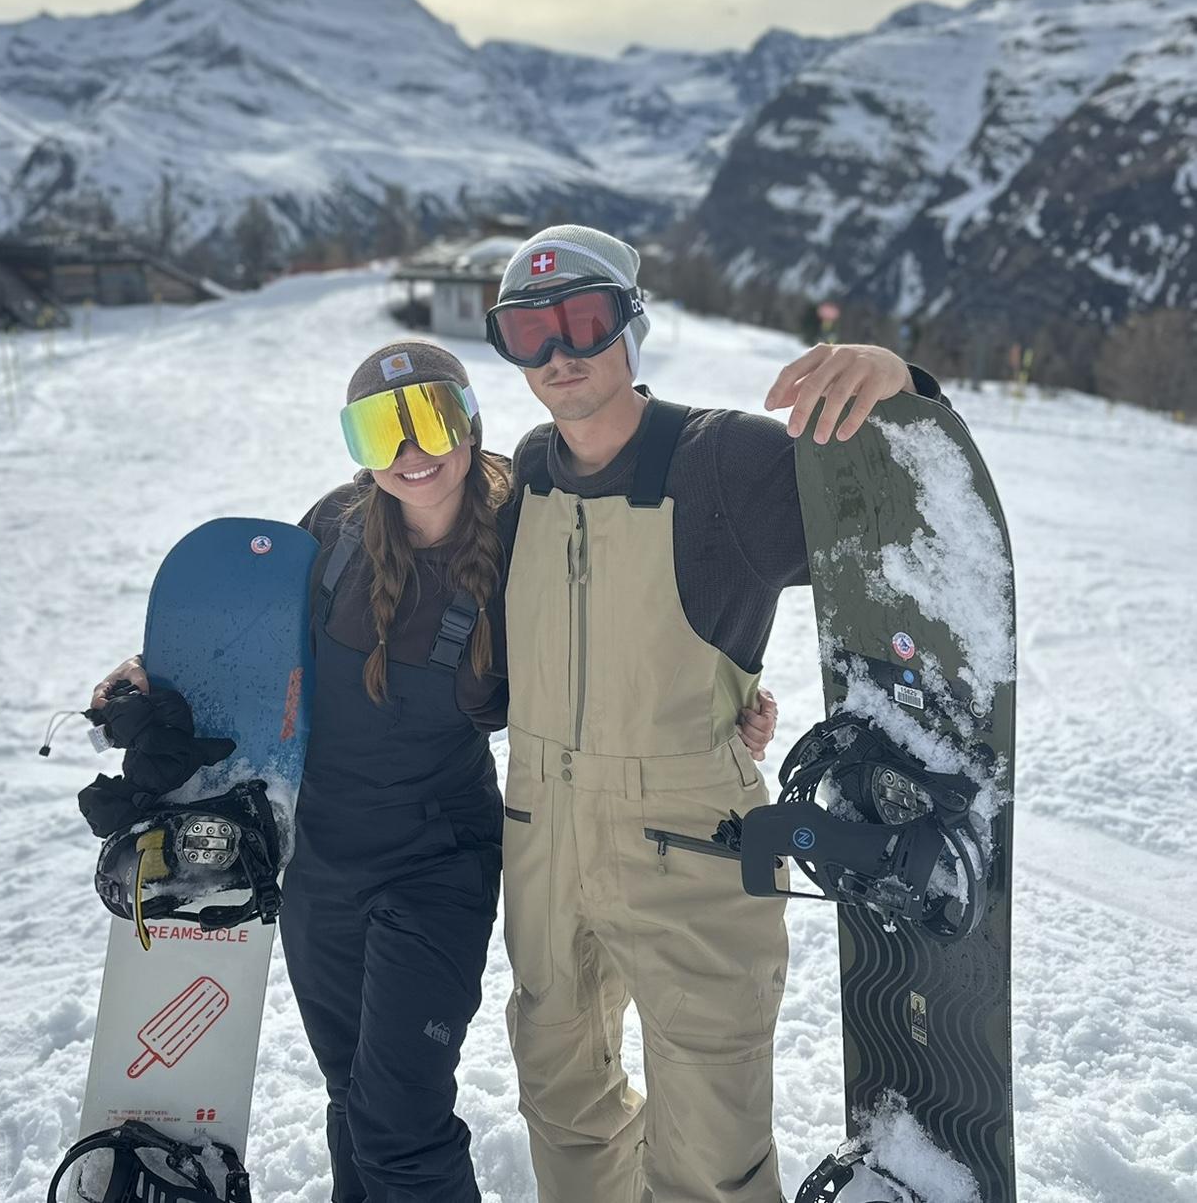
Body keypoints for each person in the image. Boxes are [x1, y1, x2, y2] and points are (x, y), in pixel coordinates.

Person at [483, 224, 952, 1203]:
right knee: (562, 1107)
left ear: (631, 325)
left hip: (688, 846)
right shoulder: (525, 473)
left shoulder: (723, 463)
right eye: (527, 332)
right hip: (540, 838)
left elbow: (891, 502)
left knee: (711, 1149)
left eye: (582, 320)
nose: (558, 353)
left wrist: (896, 381)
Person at [93, 341, 510, 1203]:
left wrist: (726, 701)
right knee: (352, 1095)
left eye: (431, 416)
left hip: (438, 863)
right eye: (380, 428)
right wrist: (145, 680)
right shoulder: (338, 529)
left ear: (468, 421)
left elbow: (613, 636)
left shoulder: (522, 540)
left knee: (401, 1121)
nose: (412, 450)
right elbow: (250, 643)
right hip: (321, 862)